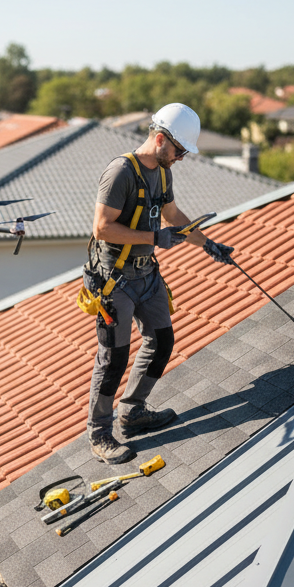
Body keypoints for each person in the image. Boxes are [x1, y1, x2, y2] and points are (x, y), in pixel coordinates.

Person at [86, 102, 235, 464]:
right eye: (179, 150)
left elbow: (171, 214)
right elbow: (102, 227)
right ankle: (100, 433)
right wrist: (153, 238)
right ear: (159, 139)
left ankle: (132, 412)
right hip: (115, 279)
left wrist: (208, 244)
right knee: (114, 358)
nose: (181, 158)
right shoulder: (121, 172)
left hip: (146, 274)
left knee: (162, 340)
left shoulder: (163, 173)